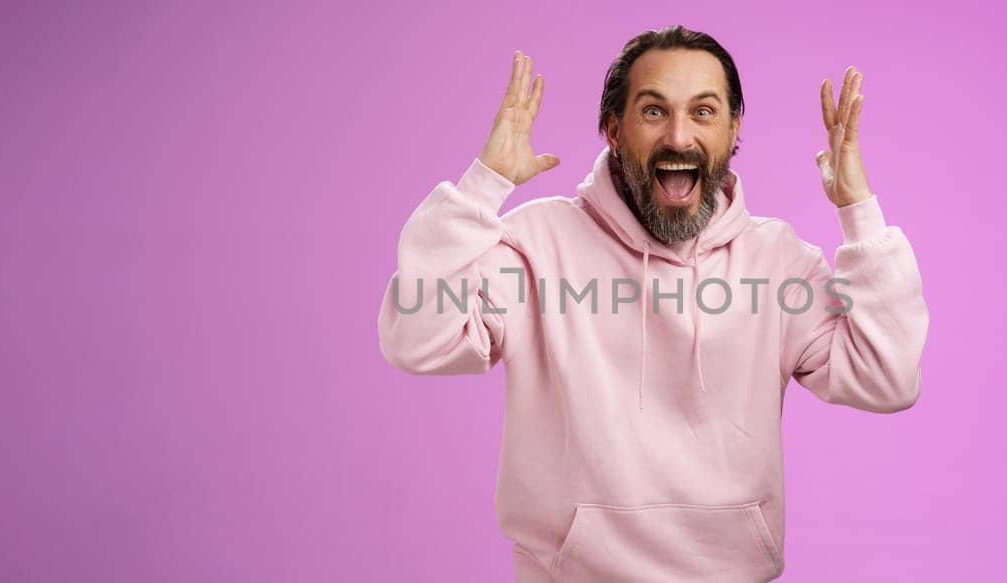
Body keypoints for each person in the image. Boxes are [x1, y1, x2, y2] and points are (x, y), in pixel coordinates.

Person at [377, 25, 929, 582]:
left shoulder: (776, 261)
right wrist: (483, 185)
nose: (680, 138)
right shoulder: (536, 244)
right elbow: (420, 341)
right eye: (654, 112)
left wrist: (858, 209)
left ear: (734, 128)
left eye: (704, 112)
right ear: (613, 130)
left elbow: (886, 379)